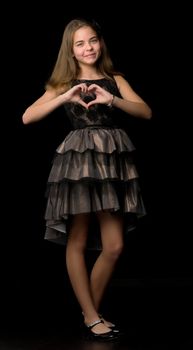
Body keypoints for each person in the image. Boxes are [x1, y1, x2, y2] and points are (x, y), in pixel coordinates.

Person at [22, 18, 152, 341]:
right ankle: (93, 317)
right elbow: (27, 117)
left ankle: (87, 312)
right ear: (71, 50)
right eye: (80, 44)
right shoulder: (63, 81)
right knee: (77, 239)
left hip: (110, 165)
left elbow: (145, 112)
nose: (88, 48)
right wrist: (64, 98)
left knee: (114, 245)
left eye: (92, 40)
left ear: (100, 42)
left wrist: (113, 101)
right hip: (78, 163)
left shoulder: (114, 78)